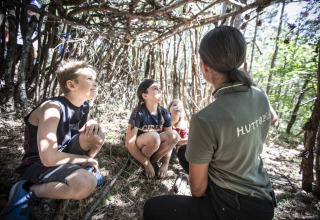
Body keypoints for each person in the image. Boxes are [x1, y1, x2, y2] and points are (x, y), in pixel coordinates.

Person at [144, 26, 278, 220]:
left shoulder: (205, 119)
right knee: (183, 152)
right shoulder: (260, 95)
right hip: (265, 202)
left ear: (205, 66)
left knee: (152, 208)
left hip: (233, 209)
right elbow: (272, 119)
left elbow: (197, 190)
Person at [0, 60, 105, 220]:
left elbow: (79, 126)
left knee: (97, 134)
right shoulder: (52, 108)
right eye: (89, 78)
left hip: (63, 155)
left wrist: (90, 123)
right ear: (71, 85)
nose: (95, 83)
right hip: (40, 163)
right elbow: (48, 158)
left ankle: (81, 167)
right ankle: (29, 189)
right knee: (85, 184)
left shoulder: (83, 106)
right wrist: (85, 159)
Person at [125, 79, 179, 179]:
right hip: (139, 149)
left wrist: (165, 164)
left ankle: (153, 162)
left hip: (154, 148)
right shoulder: (139, 112)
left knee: (174, 135)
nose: (160, 91)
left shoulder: (163, 112)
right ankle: (144, 163)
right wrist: (146, 164)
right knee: (154, 137)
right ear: (145, 96)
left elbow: (170, 140)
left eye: (159, 89)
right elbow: (129, 143)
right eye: (155, 89)